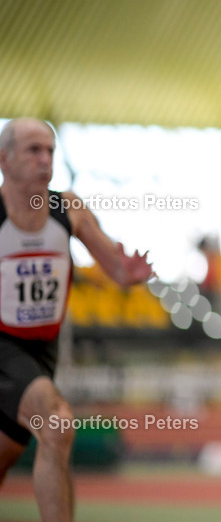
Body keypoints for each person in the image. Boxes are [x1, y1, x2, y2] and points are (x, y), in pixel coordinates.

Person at [0, 118, 152, 522]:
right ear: (5, 158)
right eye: (34, 150)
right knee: (56, 424)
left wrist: (129, 274)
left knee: (5, 455)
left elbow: (116, 270)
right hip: (2, 347)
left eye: (50, 150)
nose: (45, 159)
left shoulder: (68, 209)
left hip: (41, 352)